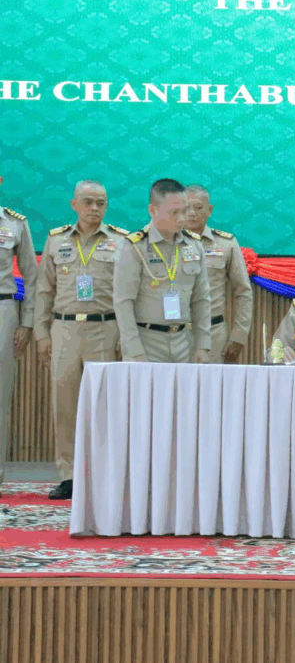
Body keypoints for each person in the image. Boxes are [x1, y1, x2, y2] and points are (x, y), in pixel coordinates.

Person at [34, 180, 128, 500]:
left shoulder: (121, 241)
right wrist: (41, 334)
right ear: (74, 204)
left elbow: (129, 294)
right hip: (64, 330)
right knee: (65, 405)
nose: (94, 208)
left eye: (101, 203)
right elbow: (43, 292)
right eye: (88, 202)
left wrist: (125, 336)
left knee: (105, 406)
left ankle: (104, 475)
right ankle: (69, 476)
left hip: (106, 329)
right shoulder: (56, 240)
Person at [113, 178, 212, 363]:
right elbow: (123, 303)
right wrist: (134, 351)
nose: (182, 218)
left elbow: (201, 299)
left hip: (184, 342)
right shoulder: (134, 247)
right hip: (146, 342)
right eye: (174, 212)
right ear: (153, 210)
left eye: (184, 211)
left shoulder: (193, 245)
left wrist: (202, 345)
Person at [183, 185, 253, 363]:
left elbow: (243, 291)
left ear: (210, 210)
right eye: (186, 207)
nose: (191, 213)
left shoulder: (226, 244)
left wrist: (239, 336)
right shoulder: (166, 242)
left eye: (198, 208)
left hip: (213, 334)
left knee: (212, 381)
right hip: (174, 335)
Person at [0, 175, 38, 496]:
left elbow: (31, 274)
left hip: (4, 311)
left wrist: (27, 322)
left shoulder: (15, 223)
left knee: (0, 394)